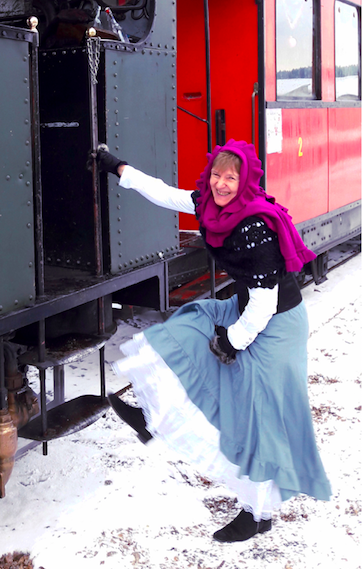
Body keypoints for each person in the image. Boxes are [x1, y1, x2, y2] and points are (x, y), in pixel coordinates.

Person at [93, 140, 331, 543]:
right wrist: (118, 168)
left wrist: (232, 342)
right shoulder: (212, 207)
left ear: (246, 182)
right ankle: (151, 417)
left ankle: (258, 514)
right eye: (217, 175)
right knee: (181, 331)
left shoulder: (254, 224)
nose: (221, 184)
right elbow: (166, 194)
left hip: (276, 324)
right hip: (248, 309)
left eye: (231, 178)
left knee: (257, 422)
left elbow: (266, 299)